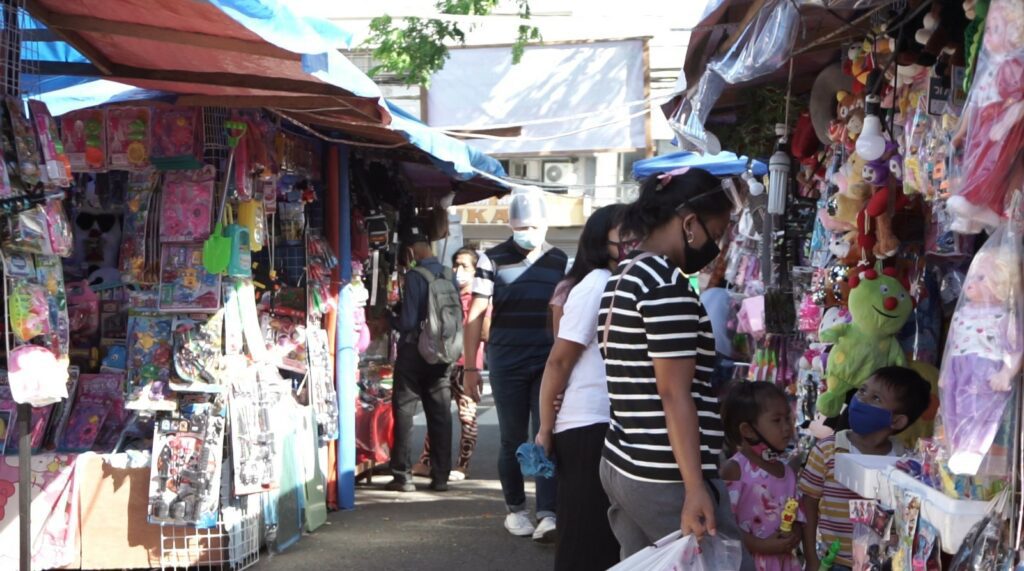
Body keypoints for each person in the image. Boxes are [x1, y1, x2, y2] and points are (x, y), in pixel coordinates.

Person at [596, 167, 753, 569]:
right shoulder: (666, 287)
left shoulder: (624, 277)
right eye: (714, 234)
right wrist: (696, 487)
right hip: (665, 473)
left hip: (624, 458)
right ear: (689, 224)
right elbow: (673, 393)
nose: (714, 245)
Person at [463, 187, 568, 542]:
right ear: (511, 225)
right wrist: (470, 368)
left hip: (547, 362)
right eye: (522, 226)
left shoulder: (560, 261)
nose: (529, 232)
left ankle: (548, 512)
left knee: (547, 435)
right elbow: (474, 316)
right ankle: (515, 509)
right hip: (506, 360)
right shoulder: (490, 259)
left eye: (535, 226)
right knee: (511, 438)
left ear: (546, 225)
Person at [535, 204, 625, 571]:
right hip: (588, 423)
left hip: (602, 422)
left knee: (599, 535)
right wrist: (544, 427)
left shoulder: (618, 281)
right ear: (602, 241)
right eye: (626, 233)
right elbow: (559, 360)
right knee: (584, 535)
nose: (636, 239)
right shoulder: (597, 283)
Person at [799, 366, 932, 570]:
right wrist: (810, 558)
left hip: (882, 564)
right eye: (862, 390)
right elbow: (807, 506)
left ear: (896, 421)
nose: (862, 399)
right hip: (832, 561)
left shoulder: (904, 463)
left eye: (876, 398)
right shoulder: (827, 450)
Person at [387, 228, 455, 493]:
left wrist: (389, 318)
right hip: (443, 353)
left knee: (404, 412)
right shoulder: (449, 274)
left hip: (415, 352)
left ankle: (403, 476)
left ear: (411, 250)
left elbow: (407, 322)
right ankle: (440, 477)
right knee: (440, 416)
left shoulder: (415, 276)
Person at [413, 248, 482, 481]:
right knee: (437, 412)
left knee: (467, 416)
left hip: (468, 364)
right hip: (444, 361)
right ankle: (425, 461)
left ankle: (462, 465)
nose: (458, 271)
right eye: (456, 265)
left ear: (475, 271)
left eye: (465, 266)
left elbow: (485, 331)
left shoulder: (479, 298)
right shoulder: (446, 290)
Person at [720, 382, 802, 571]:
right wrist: (761, 545)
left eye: (788, 418)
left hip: (783, 563)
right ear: (748, 430)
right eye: (777, 420)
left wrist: (793, 535)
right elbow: (726, 526)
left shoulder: (788, 472)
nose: (787, 427)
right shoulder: (735, 470)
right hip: (746, 563)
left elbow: (798, 518)